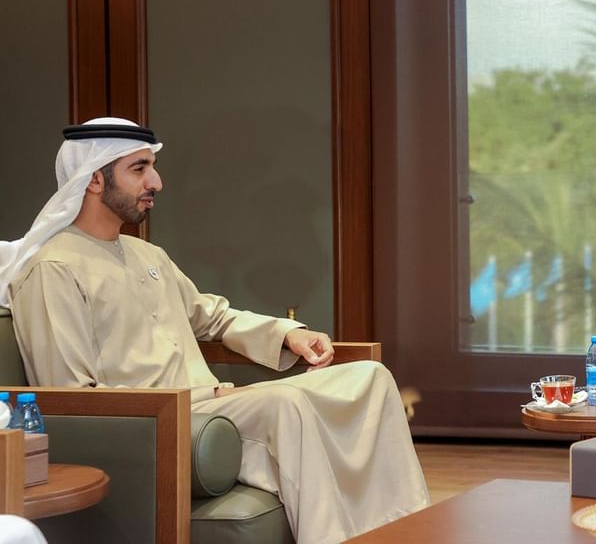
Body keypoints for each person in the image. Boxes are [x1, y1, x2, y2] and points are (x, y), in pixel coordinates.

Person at [0, 118, 429, 543]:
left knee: (370, 377)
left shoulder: (147, 254)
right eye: (139, 169)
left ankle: (404, 531)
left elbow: (212, 317)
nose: (156, 182)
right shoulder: (53, 269)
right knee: (288, 405)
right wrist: (191, 400)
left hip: (214, 403)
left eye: (153, 167)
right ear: (94, 179)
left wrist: (287, 334)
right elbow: (70, 394)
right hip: (161, 422)